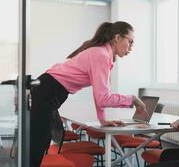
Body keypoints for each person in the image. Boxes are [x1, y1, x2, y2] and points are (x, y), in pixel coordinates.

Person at [30, 21, 148, 167]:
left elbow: (100, 95)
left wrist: (102, 119)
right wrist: (133, 99)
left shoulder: (102, 53)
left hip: (47, 89)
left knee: (39, 144)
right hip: (46, 91)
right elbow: (104, 98)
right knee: (36, 147)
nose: (131, 47)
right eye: (130, 41)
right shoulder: (101, 55)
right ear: (117, 37)